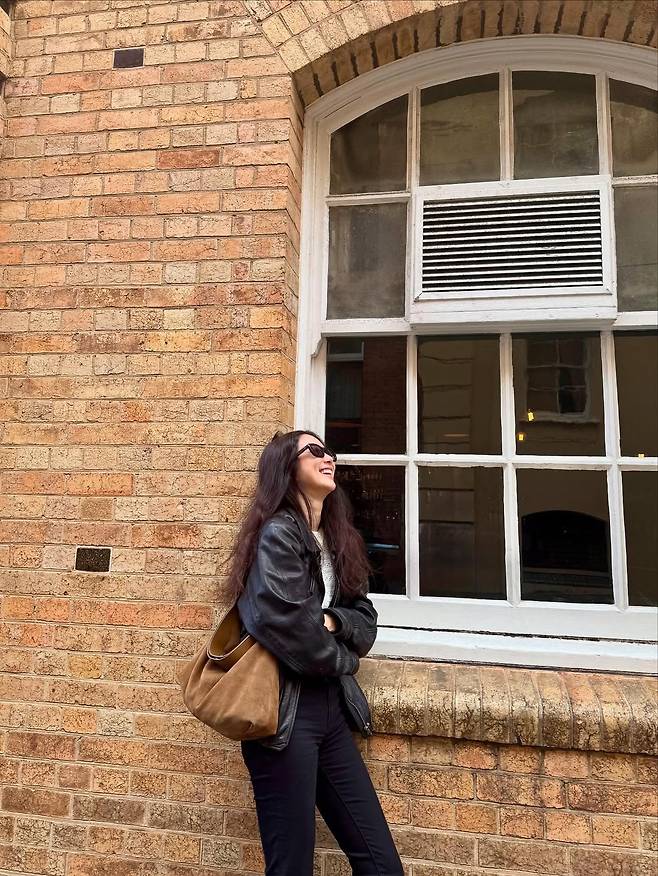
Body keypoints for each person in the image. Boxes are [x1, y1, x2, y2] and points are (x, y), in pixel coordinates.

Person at [225, 429, 404, 876]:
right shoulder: (277, 535)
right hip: (285, 717)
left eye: (331, 452)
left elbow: (365, 618)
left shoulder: (336, 537)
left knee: (381, 862)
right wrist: (347, 659)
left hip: (331, 710)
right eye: (316, 451)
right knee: (291, 867)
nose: (329, 458)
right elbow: (293, 630)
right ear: (287, 468)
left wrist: (334, 621)